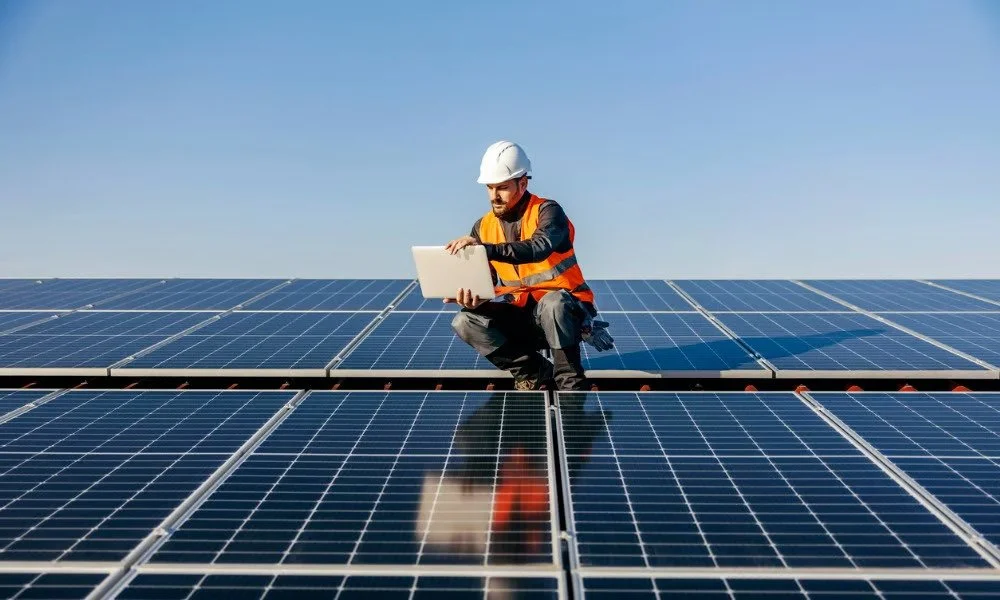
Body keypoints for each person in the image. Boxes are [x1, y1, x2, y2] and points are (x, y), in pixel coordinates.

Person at [445, 140, 613, 391]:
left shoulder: (548, 212)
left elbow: (539, 247)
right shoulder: (482, 227)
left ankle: (569, 381)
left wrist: (486, 248)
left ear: (522, 184)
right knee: (464, 321)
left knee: (554, 303)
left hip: (567, 313)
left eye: (502, 187)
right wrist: (473, 298)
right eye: (490, 188)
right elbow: (487, 283)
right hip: (524, 317)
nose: (494, 196)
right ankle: (534, 372)